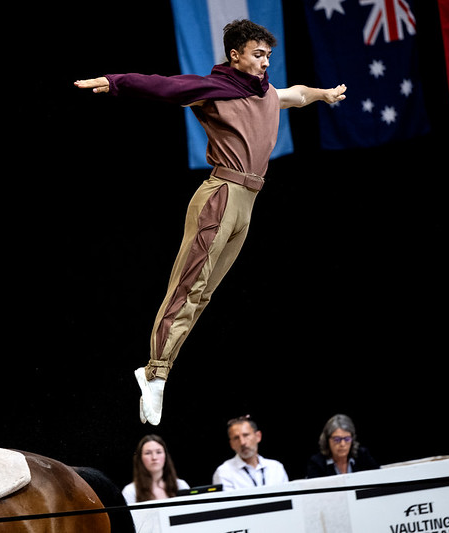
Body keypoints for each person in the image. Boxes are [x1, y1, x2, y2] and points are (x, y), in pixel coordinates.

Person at [74, 19, 347, 425]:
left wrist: (322, 94)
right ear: (235, 55)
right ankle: (154, 373)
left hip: (248, 203)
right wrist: (116, 82)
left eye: (269, 55)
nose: (265, 62)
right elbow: (162, 86)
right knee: (188, 286)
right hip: (220, 195)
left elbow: (297, 94)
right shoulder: (215, 89)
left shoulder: (266, 92)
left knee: (204, 294)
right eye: (258, 55)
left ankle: (161, 372)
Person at [212, 415, 288, 491]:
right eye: (236, 438)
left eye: (246, 435)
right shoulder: (224, 472)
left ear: (258, 436)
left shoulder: (276, 468)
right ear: (231, 444)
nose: (242, 442)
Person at [306, 414, 380, 478]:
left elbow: (379, 479)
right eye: (337, 439)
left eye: (347, 439)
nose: (342, 444)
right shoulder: (317, 463)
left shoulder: (362, 456)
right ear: (327, 440)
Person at [122, 434, 189, 504]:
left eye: (158, 452)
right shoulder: (130, 491)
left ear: (165, 456)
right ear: (140, 458)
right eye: (148, 453)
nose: (154, 457)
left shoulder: (181, 485)